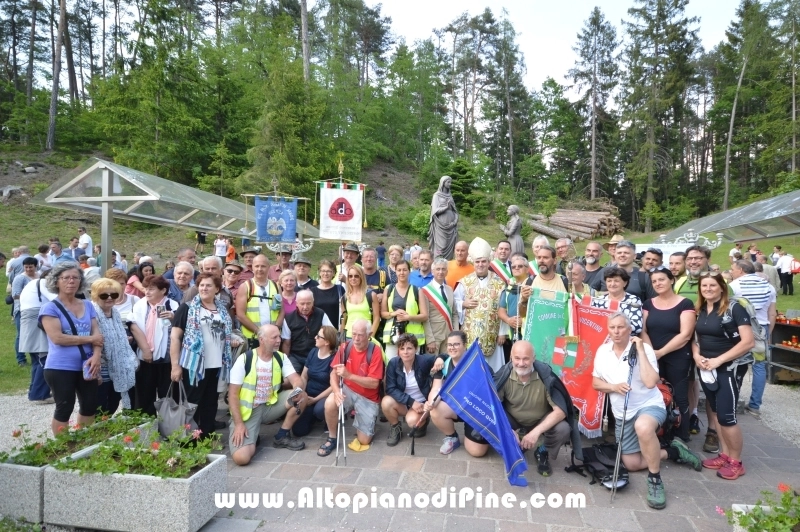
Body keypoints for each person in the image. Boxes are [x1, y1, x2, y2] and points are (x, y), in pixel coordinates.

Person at [593, 312, 702, 509]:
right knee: (632, 464)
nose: (616, 332)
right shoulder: (603, 351)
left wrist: (641, 352)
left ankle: (655, 480)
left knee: (643, 427)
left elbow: (651, 382)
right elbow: (595, 382)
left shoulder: (645, 350)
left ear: (629, 330)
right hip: (622, 413)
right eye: (612, 327)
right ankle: (673, 451)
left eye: (621, 327)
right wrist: (613, 387)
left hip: (649, 404)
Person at [472, 340, 582, 477]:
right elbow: (491, 407)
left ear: (533, 358)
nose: (521, 363)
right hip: (513, 419)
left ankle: (543, 450)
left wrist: (535, 433)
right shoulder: (504, 375)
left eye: (526, 359)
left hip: (539, 420)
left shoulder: (545, 376)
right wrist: (508, 430)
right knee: (490, 419)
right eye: (517, 358)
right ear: (511, 357)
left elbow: (560, 411)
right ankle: (514, 443)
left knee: (563, 428)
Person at [694, 273, 754, 480]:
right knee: (717, 413)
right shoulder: (702, 309)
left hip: (729, 367)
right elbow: (696, 339)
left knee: (727, 416)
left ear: (722, 287)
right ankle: (725, 455)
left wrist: (719, 360)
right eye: (704, 285)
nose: (708, 289)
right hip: (707, 367)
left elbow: (748, 342)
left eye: (712, 285)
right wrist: (697, 356)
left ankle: (736, 462)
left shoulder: (734, 308)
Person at [228, 324, 309, 465]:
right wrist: (239, 424)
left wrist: (297, 390)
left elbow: (297, 380)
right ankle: (251, 435)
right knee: (241, 458)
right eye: (274, 337)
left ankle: (281, 436)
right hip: (248, 411)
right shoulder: (245, 359)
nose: (279, 340)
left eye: (279, 337)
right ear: (262, 340)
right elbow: (232, 395)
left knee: (302, 396)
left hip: (270, 405)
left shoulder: (281, 357)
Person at [39, 263, 104, 435]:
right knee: (64, 407)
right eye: (66, 278)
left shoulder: (88, 305)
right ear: (56, 281)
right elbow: (57, 338)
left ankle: (83, 443)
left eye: (75, 277)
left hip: (87, 364)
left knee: (89, 406)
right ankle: (63, 446)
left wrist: (97, 356)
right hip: (60, 366)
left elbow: (97, 334)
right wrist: (90, 339)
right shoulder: (50, 308)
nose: (71, 281)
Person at [170, 273, 237, 439]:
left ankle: (206, 436)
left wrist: (232, 340)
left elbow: (223, 333)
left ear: (217, 289)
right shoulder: (187, 308)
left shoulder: (222, 309)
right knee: (192, 403)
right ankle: (188, 440)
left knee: (210, 403)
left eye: (208, 285)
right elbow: (175, 337)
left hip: (217, 365)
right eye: (201, 285)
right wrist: (175, 366)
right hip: (194, 365)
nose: (204, 288)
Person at [640, 266, 695, 442]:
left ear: (671, 280)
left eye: (661, 279)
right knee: (656, 394)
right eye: (654, 281)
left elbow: (685, 334)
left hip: (677, 356)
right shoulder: (648, 304)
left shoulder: (685, 303)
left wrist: (661, 352)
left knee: (680, 396)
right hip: (653, 356)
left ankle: (682, 435)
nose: (658, 283)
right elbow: (643, 330)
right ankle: (660, 432)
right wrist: (651, 353)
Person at [318, 319, 385, 456]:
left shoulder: (375, 351)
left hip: (368, 397)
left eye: (360, 335)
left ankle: (367, 420)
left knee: (364, 441)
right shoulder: (345, 347)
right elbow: (333, 374)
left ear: (369, 335)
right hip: (348, 390)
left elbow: (374, 383)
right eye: (354, 334)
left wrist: (349, 375)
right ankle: (332, 437)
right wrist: (336, 391)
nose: (356, 338)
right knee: (330, 402)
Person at [729, 260, 776, 419]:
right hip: (761, 328)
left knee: (735, 363)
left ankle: (732, 399)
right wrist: (768, 333)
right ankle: (755, 405)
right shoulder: (769, 287)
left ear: (741, 270)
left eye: (733, 269)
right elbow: (772, 313)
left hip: (739, 329)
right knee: (759, 367)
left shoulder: (734, 286)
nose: (731, 272)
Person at [425, 331, 483, 455]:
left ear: (465, 345)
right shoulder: (443, 365)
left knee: (477, 452)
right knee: (435, 409)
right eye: (449, 345)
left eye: (456, 344)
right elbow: (436, 389)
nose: (452, 348)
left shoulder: (477, 363)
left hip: (474, 410)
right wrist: (431, 402)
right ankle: (452, 437)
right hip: (455, 407)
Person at [129, 275, 178, 416]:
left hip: (167, 360)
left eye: (151, 289)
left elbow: (179, 331)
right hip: (145, 358)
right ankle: (146, 426)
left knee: (167, 397)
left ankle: (168, 425)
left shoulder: (173, 305)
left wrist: (174, 318)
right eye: (145, 288)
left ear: (163, 291)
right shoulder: (139, 305)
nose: (147, 292)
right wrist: (146, 350)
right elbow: (133, 326)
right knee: (144, 396)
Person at [455, 237, 506, 371]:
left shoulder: (499, 282)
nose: (480, 264)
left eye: (483, 261)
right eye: (477, 262)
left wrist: (502, 332)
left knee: (493, 371)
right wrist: (463, 304)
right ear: (473, 263)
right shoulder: (465, 282)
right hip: (470, 333)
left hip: (492, 333)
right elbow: (454, 303)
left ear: (489, 262)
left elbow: (503, 307)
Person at [90, 278, 137, 414]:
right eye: (104, 295)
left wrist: (121, 340)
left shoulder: (114, 312)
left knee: (113, 401)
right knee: (99, 405)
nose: (110, 298)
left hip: (118, 365)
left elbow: (116, 335)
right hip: (100, 365)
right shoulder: (92, 313)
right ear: (96, 295)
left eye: (114, 295)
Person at [382, 334, 436, 446]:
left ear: (416, 349)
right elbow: (390, 389)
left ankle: (424, 420)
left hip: (421, 404)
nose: (405, 352)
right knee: (386, 402)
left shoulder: (423, 360)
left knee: (411, 421)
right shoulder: (393, 363)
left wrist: (440, 359)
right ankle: (395, 427)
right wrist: (411, 402)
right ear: (398, 350)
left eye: (409, 348)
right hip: (405, 402)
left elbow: (444, 356)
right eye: (402, 348)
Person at [291, 325, 338, 437]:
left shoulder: (334, 357)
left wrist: (315, 399)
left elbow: (333, 386)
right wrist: (302, 393)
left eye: (318, 336)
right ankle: (313, 417)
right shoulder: (313, 352)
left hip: (325, 396)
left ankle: (329, 418)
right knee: (298, 431)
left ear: (327, 342)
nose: (315, 337)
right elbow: (304, 376)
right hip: (309, 394)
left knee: (319, 410)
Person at [19, 271, 56, 403]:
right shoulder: (43, 282)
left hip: (30, 321)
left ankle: (34, 392)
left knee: (37, 360)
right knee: (44, 359)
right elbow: (56, 299)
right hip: (37, 320)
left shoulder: (33, 284)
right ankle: (40, 395)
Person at [381, 260, 428, 359]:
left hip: (413, 337)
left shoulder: (417, 290)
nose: (402, 273)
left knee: (413, 365)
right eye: (399, 270)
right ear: (395, 272)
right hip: (393, 336)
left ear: (409, 271)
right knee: (391, 364)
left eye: (404, 270)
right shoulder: (389, 289)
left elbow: (424, 316)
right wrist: (394, 313)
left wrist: (408, 317)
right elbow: (383, 313)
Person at [281, 290, 334, 372]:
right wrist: (286, 361)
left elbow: (331, 334)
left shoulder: (321, 314)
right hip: (295, 356)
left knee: (316, 377)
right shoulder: (289, 318)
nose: (305, 307)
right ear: (296, 303)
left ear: (313, 302)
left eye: (308, 303)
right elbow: (286, 343)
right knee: (289, 378)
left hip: (316, 355)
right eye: (302, 304)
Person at [236, 254, 284, 341]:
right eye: (257, 266)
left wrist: (276, 329)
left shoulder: (276, 286)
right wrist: (259, 332)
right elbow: (240, 315)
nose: (259, 269)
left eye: (263, 266)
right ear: (252, 267)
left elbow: (281, 311)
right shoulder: (245, 286)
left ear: (268, 267)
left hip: (273, 338)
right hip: (252, 337)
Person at [422, 258, 458, 355]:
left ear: (447, 272)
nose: (441, 272)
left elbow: (454, 313)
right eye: (438, 269)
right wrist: (430, 340)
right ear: (432, 271)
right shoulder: (425, 291)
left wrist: (455, 333)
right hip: (434, 337)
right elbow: (425, 318)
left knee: (448, 363)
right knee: (433, 364)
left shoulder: (449, 289)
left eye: (443, 269)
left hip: (449, 336)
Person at [592, 267, 643, 335]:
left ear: (625, 283)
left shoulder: (633, 300)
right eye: (609, 281)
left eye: (616, 281)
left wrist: (611, 329)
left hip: (626, 339)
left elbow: (637, 327)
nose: (612, 284)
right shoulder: (598, 300)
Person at [498, 253, 534, 351]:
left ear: (527, 269)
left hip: (532, 333)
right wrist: (508, 320)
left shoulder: (534, 285)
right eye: (513, 267)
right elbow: (501, 311)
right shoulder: (509, 288)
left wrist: (524, 321)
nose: (516, 268)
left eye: (520, 266)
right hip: (514, 334)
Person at [340, 264, 380, 339]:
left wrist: (371, 336)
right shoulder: (344, 298)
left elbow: (377, 318)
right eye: (350, 276)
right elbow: (343, 320)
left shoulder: (371, 295)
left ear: (361, 277)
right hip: (348, 336)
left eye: (356, 276)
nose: (353, 278)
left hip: (366, 336)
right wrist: (341, 338)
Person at [12, 257, 39, 366]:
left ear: (35, 266)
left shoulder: (39, 276)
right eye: (26, 267)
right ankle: (21, 359)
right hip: (22, 309)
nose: (28, 269)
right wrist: (30, 296)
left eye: (30, 267)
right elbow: (15, 295)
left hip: (37, 309)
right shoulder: (20, 278)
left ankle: (36, 357)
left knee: (36, 334)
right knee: (21, 334)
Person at [428, 176, 459, 260]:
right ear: (443, 183)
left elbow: (455, 211)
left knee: (451, 246)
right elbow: (435, 211)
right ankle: (438, 262)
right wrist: (446, 207)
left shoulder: (450, 196)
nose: (450, 184)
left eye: (450, 182)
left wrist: (455, 221)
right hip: (441, 226)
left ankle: (449, 263)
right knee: (441, 245)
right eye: (448, 182)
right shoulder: (436, 195)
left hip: (451, 227)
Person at [311, 259, 345, 326]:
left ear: (333, 273)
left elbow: (344, 312)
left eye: (329, 271)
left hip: (335, 328)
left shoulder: (340, 289)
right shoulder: (313, 291)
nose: (325, 274)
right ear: (319, 273)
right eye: (323, 271)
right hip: (318, 329)